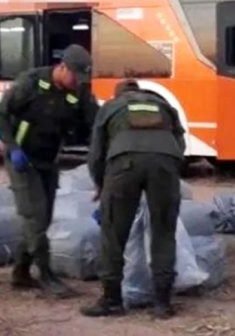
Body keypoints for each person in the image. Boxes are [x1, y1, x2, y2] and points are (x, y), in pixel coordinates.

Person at [0, 44, 100, 298]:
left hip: (48, 160)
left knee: (43, 218)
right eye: (75, 76)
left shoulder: (80, 92)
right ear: (62, 67)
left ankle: (20, 272)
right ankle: (47, 276)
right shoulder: (30, 83)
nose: (78, 83)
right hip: (22, 159)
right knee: (36, 218)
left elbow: (95, 124)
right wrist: (11, 145)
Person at [80, 79, 186, 319]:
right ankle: (162, 303)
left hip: (124, 164)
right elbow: (180, 141)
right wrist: (169, 168)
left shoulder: (111, 106)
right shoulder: (162, 104)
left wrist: (100, 184)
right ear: (139, 92)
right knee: (163, 230)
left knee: (114, 232)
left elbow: (96, 152)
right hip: (164, 163)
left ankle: (112, 300)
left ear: (118, 94)